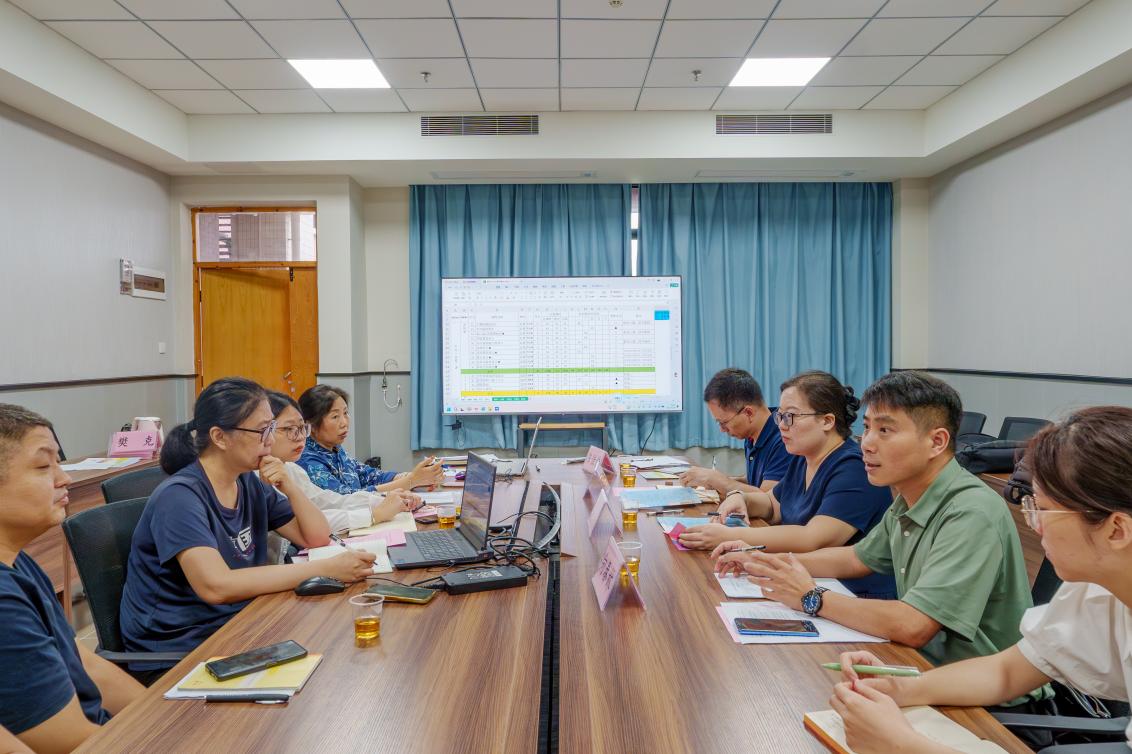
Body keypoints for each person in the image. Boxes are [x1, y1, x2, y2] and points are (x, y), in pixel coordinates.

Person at [826, 405, 1132, 753]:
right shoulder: (1092, 591)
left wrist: (901, 746)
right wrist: (899, 688)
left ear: (1116, 529)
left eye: (1044, 510)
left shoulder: (971, 509)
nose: (1035, 525)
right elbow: (1007, 671)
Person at [717, 371, 1034, 672]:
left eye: (885, 431)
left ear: (936, 442)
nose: (866, 443)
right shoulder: (909, 498)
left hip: (978, 694)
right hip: (921, 665)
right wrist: (766, 562)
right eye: (867, 428)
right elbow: (856, 558)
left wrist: (809, 596)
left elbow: (914, 625)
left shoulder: (970, 511)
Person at [120, 378, 376, 681]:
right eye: (262, 430)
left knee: (339, 654)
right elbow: (216, 586)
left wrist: (289, 485)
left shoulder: (247, 482)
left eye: (272, 429)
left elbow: (316, 537)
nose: (270, 440)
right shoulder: (179, 497)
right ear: (220, 437)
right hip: (183, 650)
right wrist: (326, 569)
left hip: (240, 624)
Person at [0, 404, 143, 752]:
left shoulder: (19, 561)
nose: (64, 478)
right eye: (43, 466)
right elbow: (67, 741)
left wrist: (162, 719)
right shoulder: (4, 605)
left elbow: (84, 662)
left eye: (58, 462)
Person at [681, 371, 896, 599]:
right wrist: (740, 497)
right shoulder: (804, 458)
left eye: (790, 416)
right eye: (781, 416)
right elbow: (772, 504)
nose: (782, 426)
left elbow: (812, 538)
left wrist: (729, 536)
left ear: (827, 421)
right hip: (807, 579)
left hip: (852, 595)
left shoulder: (853, 467)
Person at [267, 390, 420, 532]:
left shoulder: (298, 466)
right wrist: (376, 513)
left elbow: (332, 499)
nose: (300, 436)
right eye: (289, 429)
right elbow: (314, 519)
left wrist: (387, 497)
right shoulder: (304, 461)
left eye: (301, 428)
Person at [297, 384, 443, 495]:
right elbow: (348, 499)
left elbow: (368, 475)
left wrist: (414, 478)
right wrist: (411, 481)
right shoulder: (307, 461)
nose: (344, 423)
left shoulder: (334, 448)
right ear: (311, 425)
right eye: (335, 416)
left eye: (346, 413)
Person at [677, 368, 791, 496]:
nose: (722, 429)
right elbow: (756, 481)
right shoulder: (752, 435)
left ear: (748, 413)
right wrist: (714, 481)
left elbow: (767, 498)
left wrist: (716, 479)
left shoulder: (784, 439)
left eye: (723, 422)